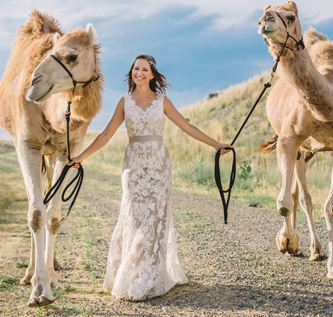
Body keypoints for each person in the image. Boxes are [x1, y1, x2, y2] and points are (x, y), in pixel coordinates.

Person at [69, 54, 232, 301]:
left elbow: (187, 126)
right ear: (131, 72)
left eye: (145, 69)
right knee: (135, 218)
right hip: (133, 167)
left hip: (159, 166)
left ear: (153, 74)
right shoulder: (124, 102)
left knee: (155, 220)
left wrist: (215, 144)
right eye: (136, 68)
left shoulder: (162, 101)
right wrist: (81, 157)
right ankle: (132, 273)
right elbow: (106, 135)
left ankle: (149, 277)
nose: (140, 73)